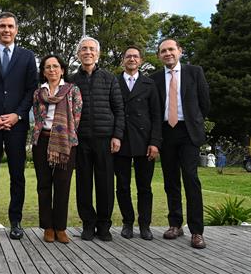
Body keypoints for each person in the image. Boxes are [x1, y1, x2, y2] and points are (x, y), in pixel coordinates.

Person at [0, 12, 38, 240]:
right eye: (2, 26)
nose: (6, 30)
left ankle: (16, 221)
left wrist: (18, 115)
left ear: (17, 30)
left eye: (10, 26)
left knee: (17, 175)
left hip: (17, 126)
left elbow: (32, 89)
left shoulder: (27, 56)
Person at [151, 38, 210, 249]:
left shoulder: (195, 72)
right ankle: (175, 224)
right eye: (163, 51)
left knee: (191, 179)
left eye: (171, 49)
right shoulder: (154, 78)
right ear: (159, 55)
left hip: (188, 133)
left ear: (180, 51)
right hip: (166, 133)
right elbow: (154, 110)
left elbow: (205, 103)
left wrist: (194, 122)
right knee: (171, 180)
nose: (167, 53)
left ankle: (196, 231)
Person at [72, 36, 125, 241]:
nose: (88, 52)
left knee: (105, 184)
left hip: (105, 139)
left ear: (98, 54)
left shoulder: (109, 78)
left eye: (92, 49)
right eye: (83, 49)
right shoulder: (71, 80)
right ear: (78, 54)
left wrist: (117, 136)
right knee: (83, 184)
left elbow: (119, 109)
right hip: (81, 139)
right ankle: (88, 223)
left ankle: (104, 225)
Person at [32, 55, 82, 243]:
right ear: (43, 72)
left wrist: (61, 134)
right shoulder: (38, 93)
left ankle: (60, 227)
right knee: (43, 185)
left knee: (62, 184)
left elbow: (77, 116)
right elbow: (38, 117)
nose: (52, 70)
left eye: (55, 66)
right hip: (42, 142)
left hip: (64, 143)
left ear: (62, 70)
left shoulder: (72, 90)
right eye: (47, 67)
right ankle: (48, 227)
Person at [114, 46, 162, 241]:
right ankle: (127, 222)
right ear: (123, 61)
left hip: (145, 142)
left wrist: (155, 142)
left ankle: (145, 224)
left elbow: (157, 116)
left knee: (145, 187)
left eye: (135, 56)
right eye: (128, 56)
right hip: (121, 140)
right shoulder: (114, 83)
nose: (132, 59)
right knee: (122, 186)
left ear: (141, 60)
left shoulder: (150, 84)